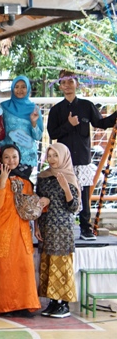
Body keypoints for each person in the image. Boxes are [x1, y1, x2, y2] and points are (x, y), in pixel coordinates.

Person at [47, 70, 117, 241]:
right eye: (63, 83)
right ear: (60, 86)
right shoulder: (56, 110)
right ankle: (64, 227)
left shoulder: (87, 106)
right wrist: (69, 125)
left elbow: (101, 123)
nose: (67, 86)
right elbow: (52, 133)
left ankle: (86, 228)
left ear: (77, 84)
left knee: (84, 193)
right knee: (63, 192)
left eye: (70, 82)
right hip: (63, 161)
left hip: (83, 159)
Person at [0, 145, 44, 317]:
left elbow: (32, 208)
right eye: (7, 157)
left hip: (22, 231)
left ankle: (26, 305)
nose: (11, 160)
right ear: (1, 159)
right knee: (5, 270)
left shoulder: (26, 182)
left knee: (25, 268)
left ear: (19, 158)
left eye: (14, 157)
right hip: (3, 231)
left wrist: (37, 226)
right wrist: (3, 181)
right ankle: (6, 306)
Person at [36, 143, 80, 319]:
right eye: (50, 155)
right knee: (48, 265)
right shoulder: (43, 177)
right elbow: (38, 202)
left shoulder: (69, 176)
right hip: (46, 227)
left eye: (56, 155)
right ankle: (53, 302)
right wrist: (36, 225)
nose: (52, 159)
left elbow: (74, 207)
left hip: (62, 230)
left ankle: (64, 304)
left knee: (62, 266)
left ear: (63, 156)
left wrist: (66, 188)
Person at [0, 76, 43, 170]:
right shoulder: (4, 107)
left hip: (26, 156)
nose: (20, 90)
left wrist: (33, 122)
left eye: (23, 87)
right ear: (12, 88)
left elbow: (38, 136)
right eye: (16, 87)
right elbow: (0, 131)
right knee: (6, 179)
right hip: (8, 157)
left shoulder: (34, 109)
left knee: (23, 180)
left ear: (28, 89)